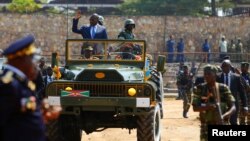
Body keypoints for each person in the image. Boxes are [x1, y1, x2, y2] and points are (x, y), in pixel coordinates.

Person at [0, 35, 61, 141]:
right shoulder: (8, 86)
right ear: (21, 60)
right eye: (32, 59)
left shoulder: (20, 81)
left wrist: (42, 114)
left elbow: (19, 117)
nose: (35, 64)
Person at [192, 64, 236, 141]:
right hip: (206, 127)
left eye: (209, 74)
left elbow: (233, 107)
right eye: (205, 74)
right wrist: (208, 107)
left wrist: (224, 116)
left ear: (215, 75)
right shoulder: (199, 88)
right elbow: (195, 108)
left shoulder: (223, 88)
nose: (206, 76)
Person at [218, 59, 248, 125]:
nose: (224, 68)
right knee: (221, 122)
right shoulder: (218, 77)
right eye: (223, 66)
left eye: (226, 66)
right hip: (221, 104)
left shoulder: (236, 77)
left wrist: (245, 106)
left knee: (233, 122)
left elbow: (242, 92)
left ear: (230, 67)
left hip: (233, 104)